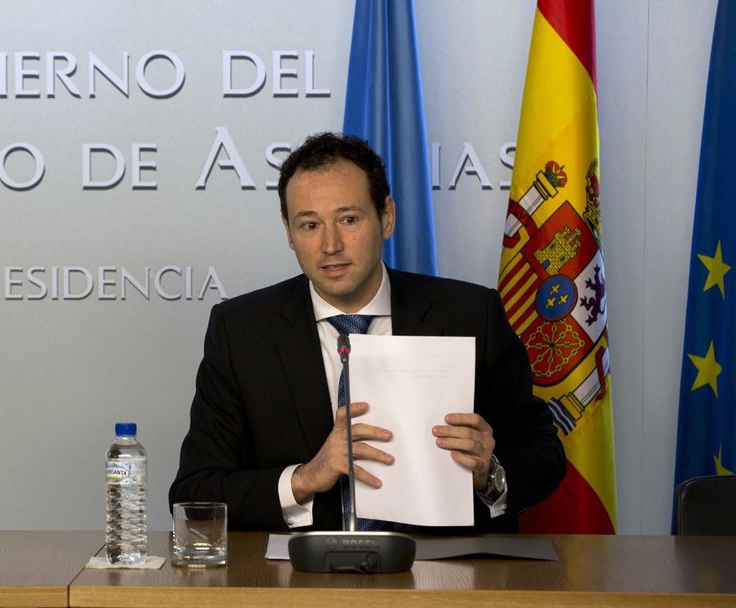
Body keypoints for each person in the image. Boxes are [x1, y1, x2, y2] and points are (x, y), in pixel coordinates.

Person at [169, 132, 565, 533]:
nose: (330, 245)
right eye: (310, 225)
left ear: (386, 217)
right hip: (300, 569)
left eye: (349, 219)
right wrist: (306, 477)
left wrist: (489, 472)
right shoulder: (241, 331)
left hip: (447, 567)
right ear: (289, 231)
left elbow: (545, 453)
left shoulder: (471, 314)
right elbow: (195, 493)